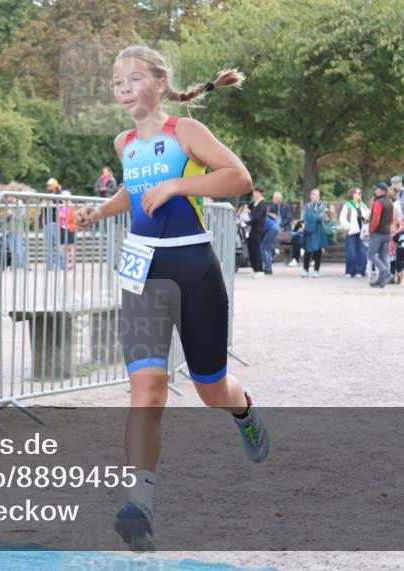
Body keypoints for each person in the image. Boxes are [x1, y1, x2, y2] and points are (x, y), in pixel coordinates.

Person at [74, 45, 268, 552]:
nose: (123, 89)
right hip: (143, 274)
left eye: (134, 79)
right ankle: (138, 505)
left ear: (160, 84)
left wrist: (181, 185)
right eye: (117, 82)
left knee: (211, 390)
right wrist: (101, 211)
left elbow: (239, 178)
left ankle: (243, 410)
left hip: (194, 269)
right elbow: (135, 193)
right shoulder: (123, 143)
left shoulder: (185, 131)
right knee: (147, 391)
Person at [338, 187, 370, 278]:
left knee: (362, 252)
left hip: (362, 233)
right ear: (353, 194)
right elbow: (342, 218)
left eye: (360, 193)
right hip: (351, 232)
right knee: (351, 252)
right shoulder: (347, 205)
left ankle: (360, 271)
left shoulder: (363, 205)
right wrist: (348, 227)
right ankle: (350, 271)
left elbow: (367, 218)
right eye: (358, 193)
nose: (360, 195)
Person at [367, 182, 394, 288]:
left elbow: (376, 219)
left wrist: (370, 230)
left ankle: (385, 272)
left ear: (381, 191)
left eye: (377, 189)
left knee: (371, 254)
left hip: (377, 233)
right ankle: (381, 281)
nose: (375, 191)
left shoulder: (378, 203)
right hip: (386, 232)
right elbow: (392, 219)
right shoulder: (389, 202)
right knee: (383, 257)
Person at [301, 189, 328, 279]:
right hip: (309, 229)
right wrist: (315, 216)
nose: (316, 197)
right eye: (314, 195)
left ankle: (316, 270)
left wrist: (312, 216)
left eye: (318, 195)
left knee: (318, 250)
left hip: (318, 230)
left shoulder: (322, 206)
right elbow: (305, 217)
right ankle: (305, 269)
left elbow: (322, 217)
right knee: (307, 250)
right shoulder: (307, 206)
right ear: (311, 196)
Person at [41, 179, 66, 271]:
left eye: (50, 185)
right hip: (47, 223)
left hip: (55, 222)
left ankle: (62, 264)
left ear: (54, 187)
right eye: (47, 185)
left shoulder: (57, 197)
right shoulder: (46, 196)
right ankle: (50, 265)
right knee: (49, 245)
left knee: (57, 245)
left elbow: (61, 208)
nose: (48, 187)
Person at [245, 187, 268, 277]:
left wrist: (247, 222)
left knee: (256, 248)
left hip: (258, 229)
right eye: (254, 192)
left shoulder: (262, 204)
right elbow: (248, 206)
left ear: (260, 193)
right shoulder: (254, 203)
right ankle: (254, 268)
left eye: (256, 192)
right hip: (252, 229)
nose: (254, 194)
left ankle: (260, 269)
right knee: (251, 248)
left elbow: (257, 217)